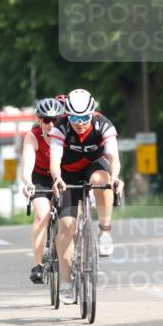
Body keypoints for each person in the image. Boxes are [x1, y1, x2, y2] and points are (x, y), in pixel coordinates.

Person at [49, 89, 123, 304]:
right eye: (74, 117)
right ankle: (66, 282)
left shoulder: (104, 124)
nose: (80, 122)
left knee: (103, 179)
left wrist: (116, 177)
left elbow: (113, 156)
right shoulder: (60, 127)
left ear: (92, 113)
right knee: (67, 227)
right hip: (68, 172)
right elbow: (55, 161)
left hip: (94, 166)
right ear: (67, 115)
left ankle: (105, 232)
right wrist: (57, 179)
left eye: (84, 117)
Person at [20, 97, 64, 284]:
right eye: (47, 120)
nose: (51, 124)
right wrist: (27, 182)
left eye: (56, 120)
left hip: (61, 176)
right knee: (42, 214)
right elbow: (27, 165)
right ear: (39, 119)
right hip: (40, 178)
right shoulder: (33, 136)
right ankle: (37, 265)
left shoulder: (65, 134)